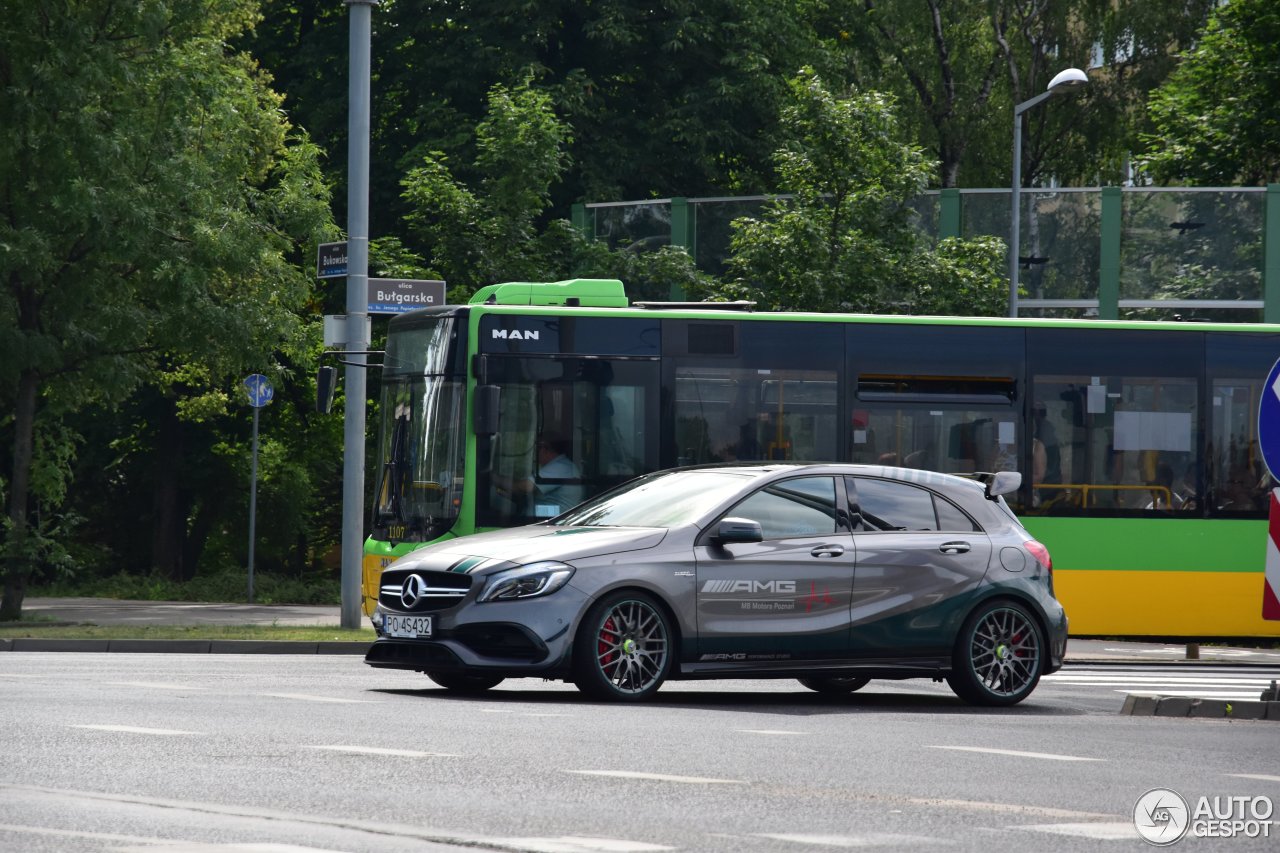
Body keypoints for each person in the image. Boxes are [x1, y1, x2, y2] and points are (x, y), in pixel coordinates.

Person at [497, 433, 584, 515]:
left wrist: (494, 478)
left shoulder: (560, 467)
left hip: (554, 519)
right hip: (550, 517)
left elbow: (525, 487)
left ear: (545, 449)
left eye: (537, 448)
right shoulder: (559, 465)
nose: (535, 453)